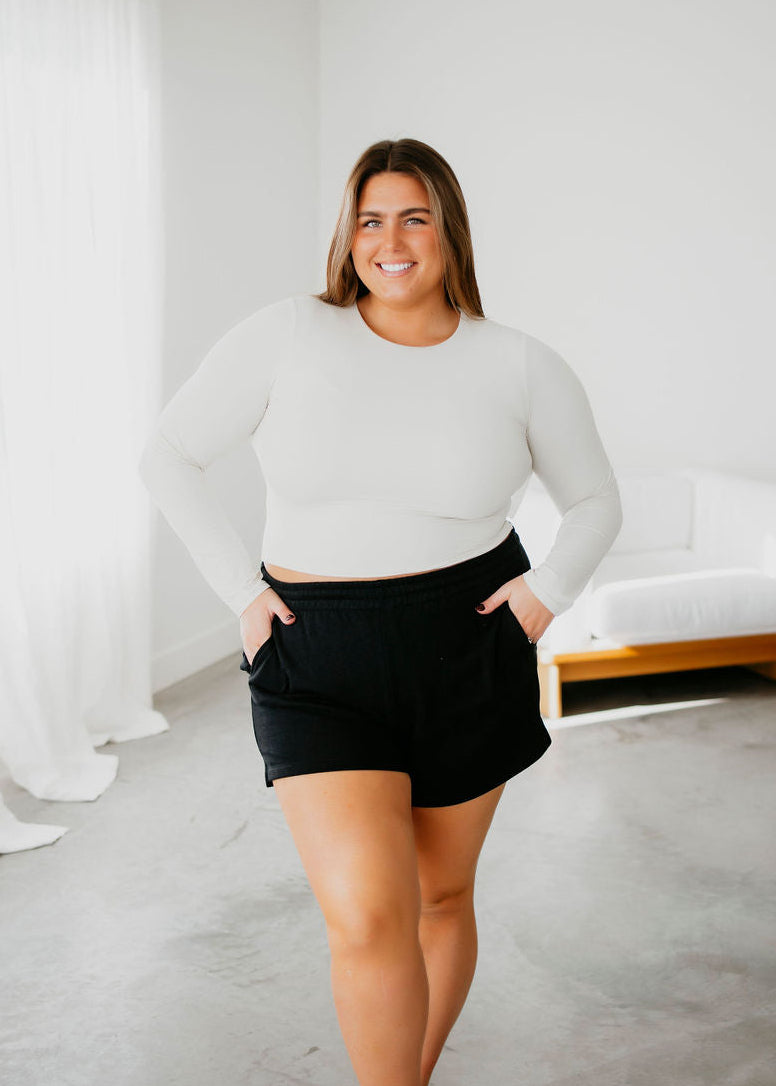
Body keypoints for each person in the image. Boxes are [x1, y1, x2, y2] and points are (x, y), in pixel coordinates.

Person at [138, 137, 622, 1086]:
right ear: (348, 235)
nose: (390, 242)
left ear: (450, 232)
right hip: (316, 655)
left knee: (440, 897)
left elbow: (596, 501)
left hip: (467, 645)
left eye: (413, 219)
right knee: (367, 916)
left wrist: (543, 598)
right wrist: (242, 591)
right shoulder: (287, 334)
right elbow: (168, 454)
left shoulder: (519, 363)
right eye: (370, 220)